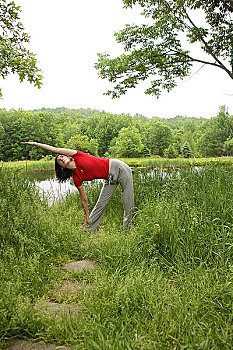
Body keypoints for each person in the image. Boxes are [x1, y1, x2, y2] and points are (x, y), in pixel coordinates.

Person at [20, 142, 134, 232]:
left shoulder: (77, 155)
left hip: (118, 168)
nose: (61, 158)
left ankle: (127, 231)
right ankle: (89, 229)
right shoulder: (76, 178)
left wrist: (35, 144)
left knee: (127, 201)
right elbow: (83, 199)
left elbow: (54, 149)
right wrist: (86, 216)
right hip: (109, 179)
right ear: (61, 167)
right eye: (59, 160)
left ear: (67, 156)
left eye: (61, 156)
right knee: (101, 203)